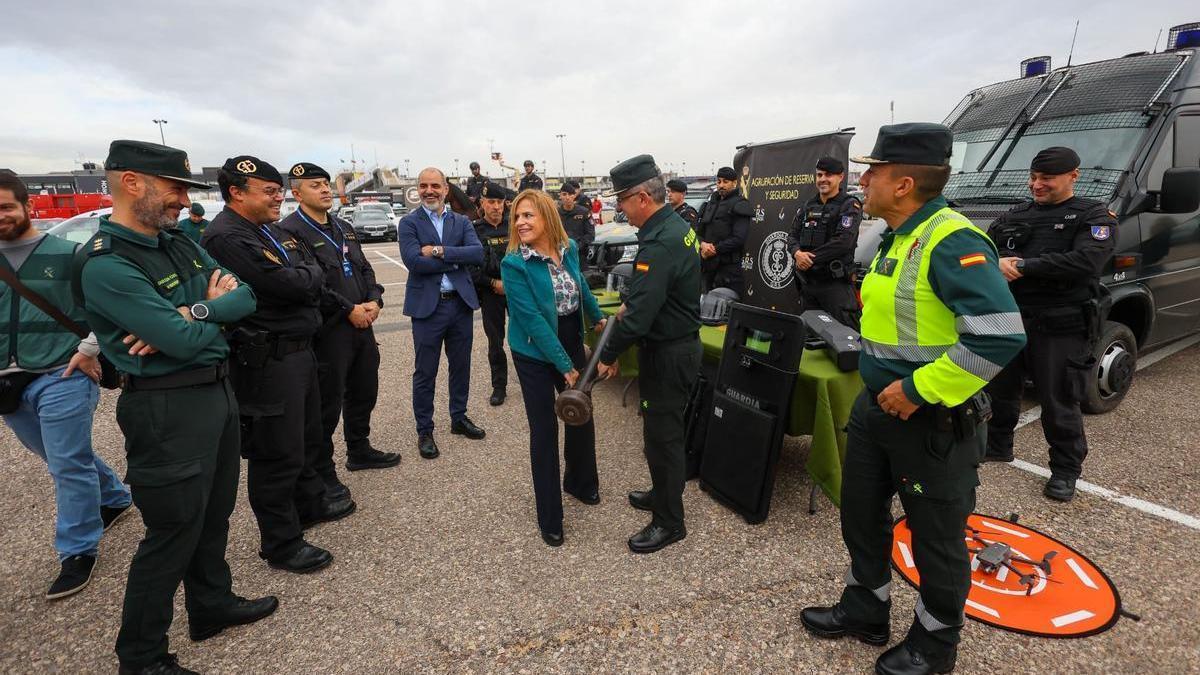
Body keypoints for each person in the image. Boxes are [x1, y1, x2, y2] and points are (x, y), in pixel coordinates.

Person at [799, 124, 1025, 675]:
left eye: (871, 171)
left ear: (902, 184)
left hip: (930, 419)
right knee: (860, 513)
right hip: (878, 408)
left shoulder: (953, 240)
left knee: (936, 538)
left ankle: (935, 642)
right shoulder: (897, 236)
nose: (863, 179)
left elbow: (999, 335)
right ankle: (866, 607)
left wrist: (919, 389)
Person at [75, 140, 275, 674]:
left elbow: (246, 297)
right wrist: (196, 321)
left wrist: (195, 310)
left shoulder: (179, 242)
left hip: (216, 393)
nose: (184, 200)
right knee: (171, 533)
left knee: (214, 515)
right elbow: (181, 341)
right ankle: (140, 657)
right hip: (166, 409)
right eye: (174, 187)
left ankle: (210, 606)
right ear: (131, 182)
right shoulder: (107, 263)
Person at [202, 156, 355, 575]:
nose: (278, 197)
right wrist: (306, 275)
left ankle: (308, 508)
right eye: (269, 191)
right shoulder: (227, 237)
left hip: (298, 353)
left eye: (278, 190)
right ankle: (281, 542)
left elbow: (310, 276)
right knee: (277, 453)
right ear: (237, 192)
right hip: (268, 360)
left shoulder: (265, 231)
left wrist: (305, 276)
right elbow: (290, 283)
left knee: (305, 439)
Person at [0, 171, 133, 600]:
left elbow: (103, 308)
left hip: (62, 373)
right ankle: (113, 496)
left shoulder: (68, 254)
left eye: (5, 207)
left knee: (66, 464)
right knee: (62, 457)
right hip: (7, 384)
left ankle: (77, 551)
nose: (0, 216)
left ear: (25, 206)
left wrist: (91, 348)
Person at [984, 147, 1117, 502]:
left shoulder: (1093, 214)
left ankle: (1065, 470)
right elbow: (986, 249)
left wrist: (1023, 267)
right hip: (1011, 318)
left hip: (1060, 326)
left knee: (1059, 400)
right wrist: (996, 262)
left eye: (1046, 179)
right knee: (1002, 390)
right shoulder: (1016, 213)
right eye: (1033, 177)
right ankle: (998, 445)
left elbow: (1087, 261)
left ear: (1074, 176)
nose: (1036, 185)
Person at [594, 155, 701, 554]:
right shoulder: (674, 226)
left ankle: (670, 522)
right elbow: (651, 296)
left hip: (668, 353)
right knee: (660, 434)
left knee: (664, 439)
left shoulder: (660, 242)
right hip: (674, 345)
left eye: (621, 201)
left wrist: (608, 355)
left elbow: (638, 317)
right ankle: (662, 493)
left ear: (641, 198)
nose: (619, 209)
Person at [277, 162, 400, 480]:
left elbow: (364, 268)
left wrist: (374, 299)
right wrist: (349, 309)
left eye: (325, 184)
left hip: (363, 325)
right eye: (315, 185)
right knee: (327, 403)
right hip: (330, 330)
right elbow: (311, 284)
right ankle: (322, 471)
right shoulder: (290, 231)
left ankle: (359, 449)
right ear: (296, 192)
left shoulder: (342, 226)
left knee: (364, 390)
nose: (324, 189)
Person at [501, 189, 605, 547]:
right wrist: (565, 367)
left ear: (547, 216)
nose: (521, 222)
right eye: (517, 217)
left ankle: (580, 482)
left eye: (528, 215)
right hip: (532, 350)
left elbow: (581, 292)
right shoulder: (514, 263)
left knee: (581, 414)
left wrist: (598, 320)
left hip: (570, 338)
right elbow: (530, 319)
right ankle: (550, 515)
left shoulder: (568, 249)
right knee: (544, 428)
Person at [398, 167, 486, 459]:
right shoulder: (408, 223)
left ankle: (458, 418)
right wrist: (455, 258)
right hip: (428, 309)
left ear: (446, 189)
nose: (429, 191)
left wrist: (436, 251)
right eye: (423, 185)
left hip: (459, 305)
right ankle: (425, 429)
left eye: (435, 185)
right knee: (425, 372)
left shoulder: (460, 221)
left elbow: (477, 254)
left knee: (461, 366)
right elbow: (414, 262)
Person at [786, 156, 863, 329]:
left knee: (845, 339)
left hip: (835, 285)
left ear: (840, 177)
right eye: (819, 175)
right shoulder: (808, 206)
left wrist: (809, 259)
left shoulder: (849, 205)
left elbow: (843, 242)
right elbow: (792, 236)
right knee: (810, 338)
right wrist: (797, 253)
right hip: (808, 284)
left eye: (828, 175)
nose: (822, 179)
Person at [471, 181, 512, 406]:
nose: (496, 207)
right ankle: (499, 386)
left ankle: (530, 378)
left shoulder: (515, 226)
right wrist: (492, 283)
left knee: (525, 336)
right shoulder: (474, 230)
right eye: (491, 202)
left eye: (500, 202)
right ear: (483, 203)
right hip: (491, 292)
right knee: (496, 342)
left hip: (517, 292)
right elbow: (469, 268)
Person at [695, 166, 751, 292]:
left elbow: (739, 238)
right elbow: (697, 233)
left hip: (729, 271)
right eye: (719, 181)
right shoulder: (709, 204)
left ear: (735, 183)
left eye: (725, 182)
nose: (721, 185)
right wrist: (702, 245)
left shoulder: (740, 204)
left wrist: (714, 249)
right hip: (707, 269)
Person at [557, 182, 594, 251]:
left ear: (574, 196)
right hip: (561, 253)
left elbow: (590, 234)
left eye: (570, 194)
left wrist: (577, 246)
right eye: (564, 194)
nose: (567, 197)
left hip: (580, 252)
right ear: (560, 196)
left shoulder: (584, 212)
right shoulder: (556, 213)